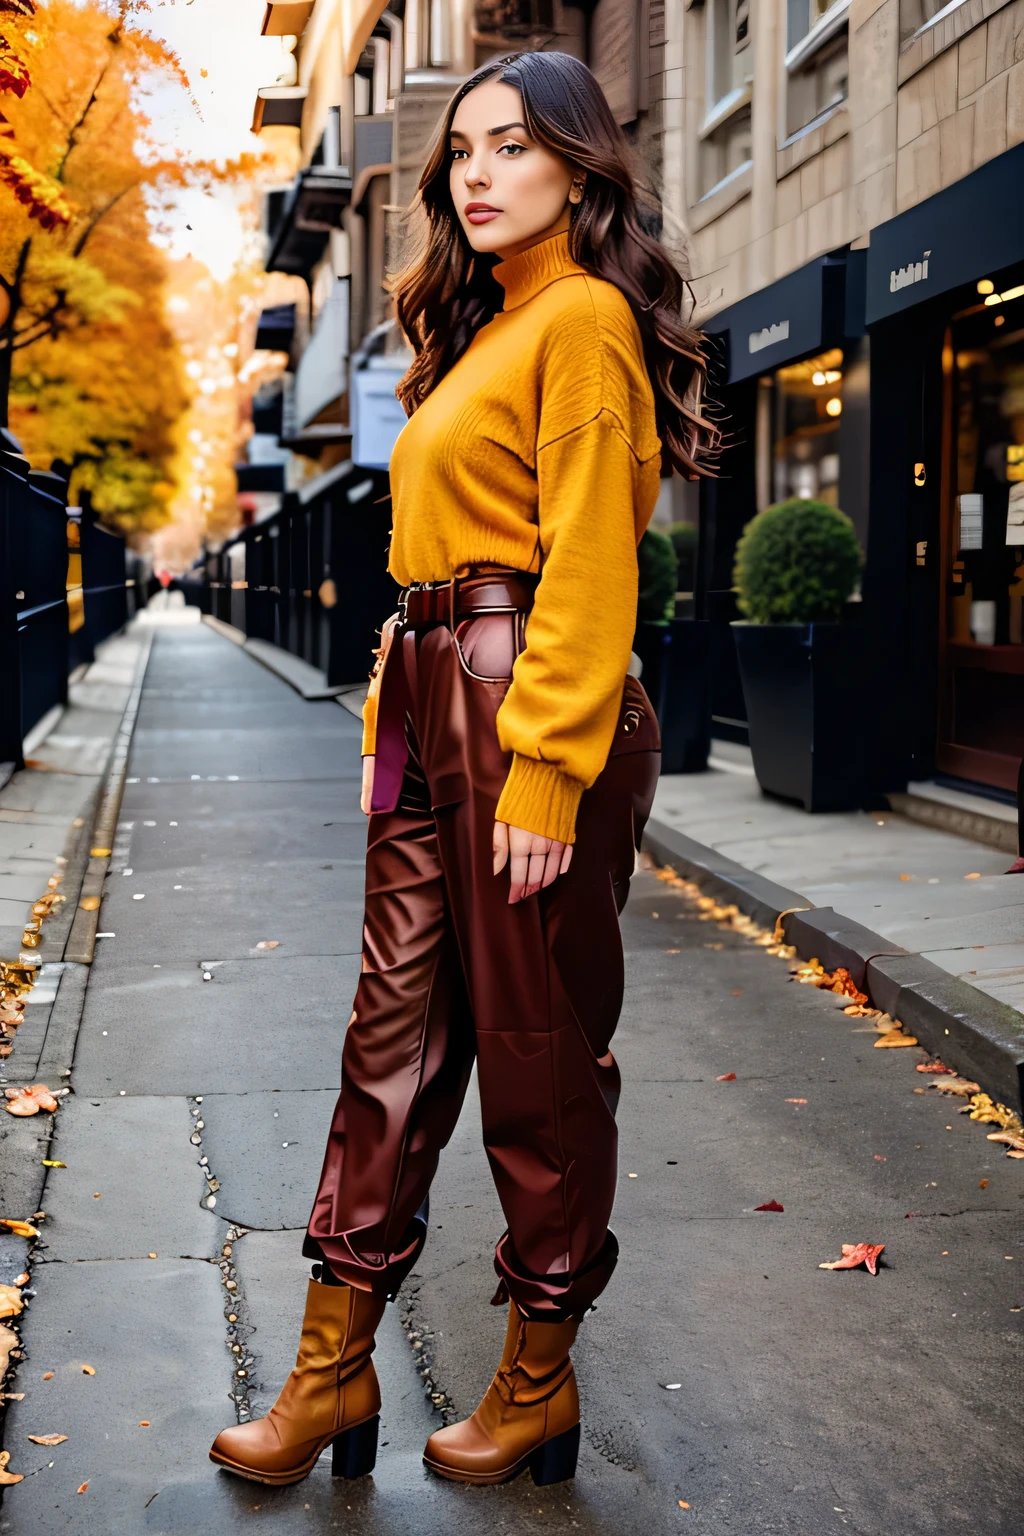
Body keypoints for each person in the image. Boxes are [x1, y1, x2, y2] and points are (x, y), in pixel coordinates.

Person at [210, 49, 717, 1491]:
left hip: (522, 702)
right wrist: (401, 714)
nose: (476, 173)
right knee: (391, 1042)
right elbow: (440, 559)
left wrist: (547, 769)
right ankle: (328, 1377)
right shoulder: (481, 331)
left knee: (536, 1054)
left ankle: (537, 1380)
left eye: (511, 146)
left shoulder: (585, 322)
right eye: (462, 155)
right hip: (435, 694)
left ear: (578, 163)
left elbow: (591, 564)